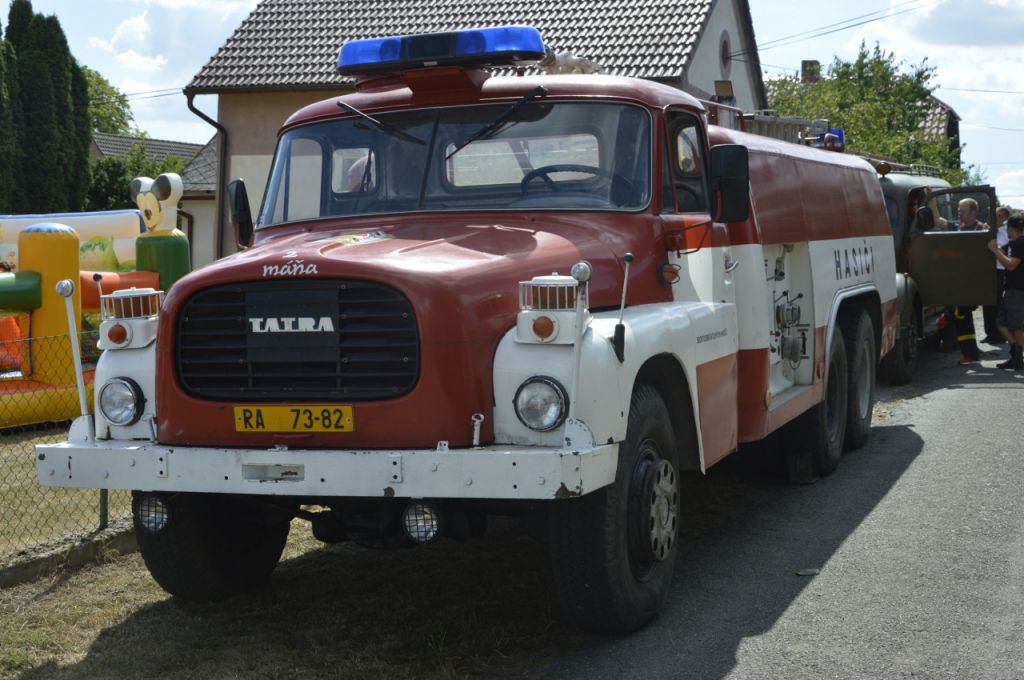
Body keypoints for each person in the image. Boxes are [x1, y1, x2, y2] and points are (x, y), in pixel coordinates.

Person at [944, 198, 988, 365]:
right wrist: (932, 200)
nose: (959, 213)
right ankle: (970, 354)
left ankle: (970, 354)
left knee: (962, 315)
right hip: (957, 280)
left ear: (973, 213)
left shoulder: (982, 229)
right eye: (958, 210)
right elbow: (939, 221)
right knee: (962, 316)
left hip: (972, 281)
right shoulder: (957, 227)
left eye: (962, 210)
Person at [988, 215, 1024, 370]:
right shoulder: (1012, 243)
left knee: (1016, 326)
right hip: (1010, 290)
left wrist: (996, 250)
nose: (1006, 230)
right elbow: (1000, 251)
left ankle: (1017, 358)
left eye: (1007, 227)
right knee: (1001, 323)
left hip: (1018, 290)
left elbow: (1011, 265)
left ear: (1011, 227)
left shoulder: (1021, 243)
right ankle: (1016, 352)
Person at [982, 206, 1011, 344]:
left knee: (997, 303)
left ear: (1005, 218)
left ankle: (1000, 335)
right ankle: (989, 333)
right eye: (994, 214)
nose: (995, 217)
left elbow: (1006, 250)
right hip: (987, 269)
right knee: (986, 302)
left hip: (1000, 269)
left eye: (999, 215)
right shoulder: (985, 229)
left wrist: (995, 248)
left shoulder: (1007, 232)